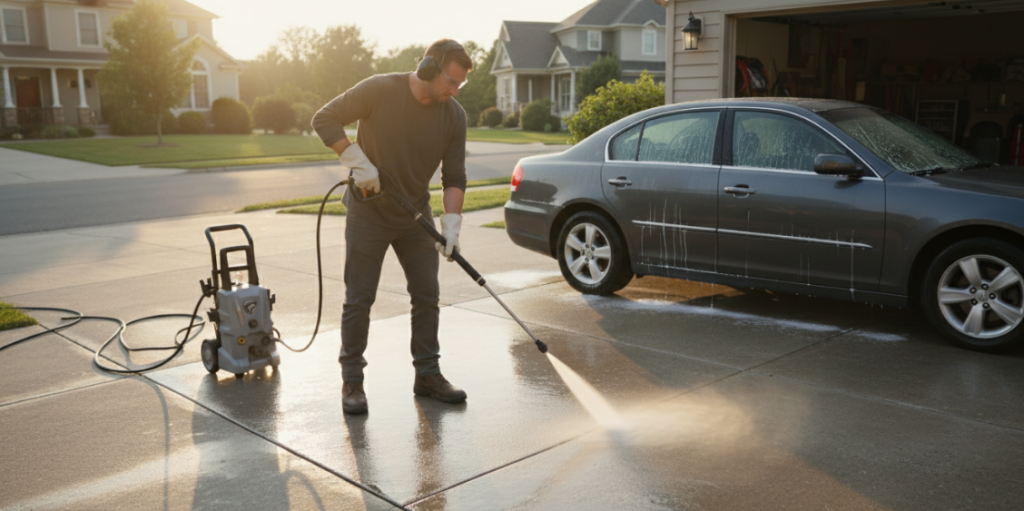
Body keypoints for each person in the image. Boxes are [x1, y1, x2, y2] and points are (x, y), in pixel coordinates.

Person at [312, 39, 471, 415]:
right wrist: (355, 159)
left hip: (415, 214)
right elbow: (324, 118)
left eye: (459, 86)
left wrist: (452, 224)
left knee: (427, 294)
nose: (453, 91)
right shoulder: (380, 89)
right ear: (430, 67)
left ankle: (427, 375)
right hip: (368, 213)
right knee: (359, 298)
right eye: (450, 81)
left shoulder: (454, 116)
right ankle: (352, 380)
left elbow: (455, 175)